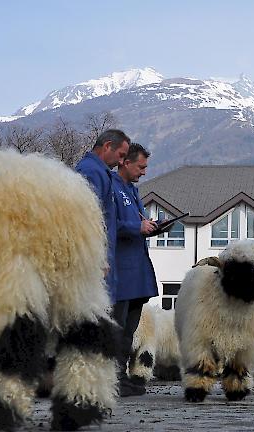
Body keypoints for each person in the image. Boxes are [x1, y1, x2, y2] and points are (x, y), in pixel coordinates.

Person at [111, 143, 159, 397]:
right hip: (120, 270)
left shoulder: (132, 189)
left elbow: (135, 221)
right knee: (117, 327)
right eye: (140, 166)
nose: (144, 171)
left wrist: (151, 226)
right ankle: (111, 377)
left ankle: (120, 374)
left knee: (129, 329)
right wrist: (136, 228)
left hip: (137, 271)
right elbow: (108, 223)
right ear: (125, 162)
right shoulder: (110, 188)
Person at [75, 129, 130, 303]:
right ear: (107, 146)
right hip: (96, 268)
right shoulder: (91, 172)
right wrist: (98, 258)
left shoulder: (100, 173)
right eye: (121, 155)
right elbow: (87, 218)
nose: (121, 162)